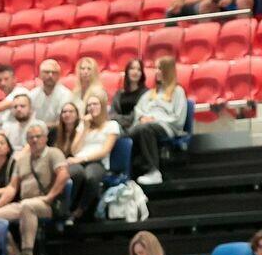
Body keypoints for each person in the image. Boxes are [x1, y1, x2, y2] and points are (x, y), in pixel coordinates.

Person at [0, 123, 70, 255]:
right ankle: (13, 253)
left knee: (28, 206)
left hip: (47, 203)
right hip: (24, 202)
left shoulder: (54, 153)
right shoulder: (21, 160)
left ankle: (27, 254)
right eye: (31, 137)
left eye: (38, 136)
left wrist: (50, 196)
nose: (34, 140)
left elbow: (63, 175)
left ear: (45, 138)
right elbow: (12, 187)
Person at [129, 56, 188, 186]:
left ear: (168, 71)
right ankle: (127, 173)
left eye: (160, 69)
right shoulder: (150, 93)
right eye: (156, 68)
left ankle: (153, 171)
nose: (157, 72)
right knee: (125, 134)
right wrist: (142, 118)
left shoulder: (178, 92)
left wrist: (154, 119)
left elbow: (178, 118)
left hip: (165, 126)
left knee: (145, 129)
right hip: (144, 124)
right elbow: (138, 110)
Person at [67, 95, 120, 222]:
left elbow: (105, 151)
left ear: (102, 106)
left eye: (95, 104)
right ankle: (66, 209)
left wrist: (83, 159)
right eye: (89, 105)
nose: (91, 107)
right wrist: (85, 128)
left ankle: (80, 210)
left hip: (98, 162)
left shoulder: (111, 125)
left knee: (90, 176)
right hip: (78, 160)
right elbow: (74, 150)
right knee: (74, 173)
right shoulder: (83, 125)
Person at [28, 59, 75, 126]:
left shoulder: (66, 94)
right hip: (35, 130)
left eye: (54, 73)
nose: (50, 75)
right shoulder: (32, 94)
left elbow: (64, 122)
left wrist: (42, 127)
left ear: (59, 76)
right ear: (40, 74)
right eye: (46, 72)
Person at [109, 59, 147, 131]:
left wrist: (117, 119)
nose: (135, 72)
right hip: (117, 128)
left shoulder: (146, 94)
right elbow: (111, 114)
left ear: (141, 74)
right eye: (132, 68)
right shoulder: (119, 93)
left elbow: (134, 117)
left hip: (137, 128)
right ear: (127, 72)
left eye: (139, 69)